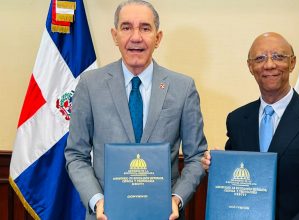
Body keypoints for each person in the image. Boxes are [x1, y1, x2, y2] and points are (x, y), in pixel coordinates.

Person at [64, 1, 207, 219]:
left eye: (145, 28)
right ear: (114, 35)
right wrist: (97, 200)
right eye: (126, 27)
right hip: (106, 214)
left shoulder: (183, 87)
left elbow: (196, 157)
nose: (136, 37)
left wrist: (176, 199)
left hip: (163, 214)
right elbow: (75, 155)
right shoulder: (90, 84)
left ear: (158, 38)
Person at [201, 32, 299, 220]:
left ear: (292, 63)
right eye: (260, 58)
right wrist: (216, 166)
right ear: (250, 66)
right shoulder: (238, 119)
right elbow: (239, 181)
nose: (269, 64)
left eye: (278, 57)